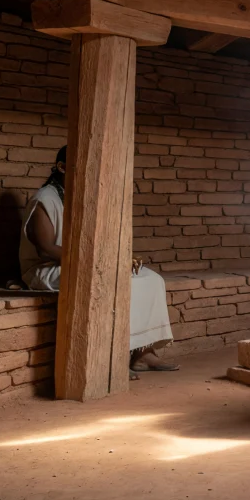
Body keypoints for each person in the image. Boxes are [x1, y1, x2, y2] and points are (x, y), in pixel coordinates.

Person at [19, 146, 177, 380]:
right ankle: (111, 359)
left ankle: (143, 353)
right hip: (47, 269)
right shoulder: (45, 199)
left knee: (151, 279)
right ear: (62, 167)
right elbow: (46, 248)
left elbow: (97, 241)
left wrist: (119, 258)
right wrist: (97, 262)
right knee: (109, 281)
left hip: (83, 263)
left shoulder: (83, 198)